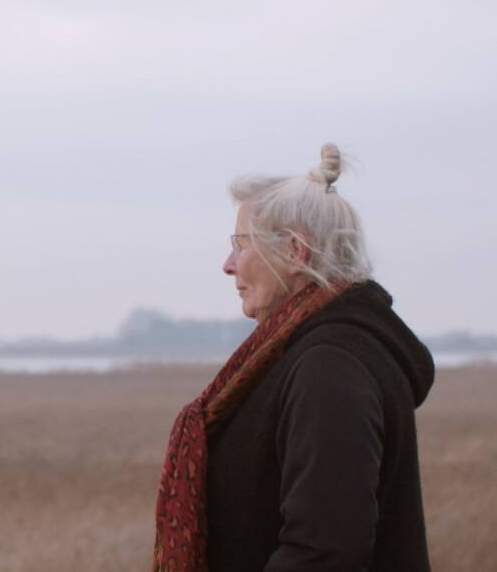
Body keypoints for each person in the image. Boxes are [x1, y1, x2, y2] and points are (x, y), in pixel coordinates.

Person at [152, 143, 435, 572]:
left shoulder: (331, 367)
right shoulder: (306, 353)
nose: (228, 265)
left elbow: (325, 551)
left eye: (241, 244)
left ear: (293, 252)